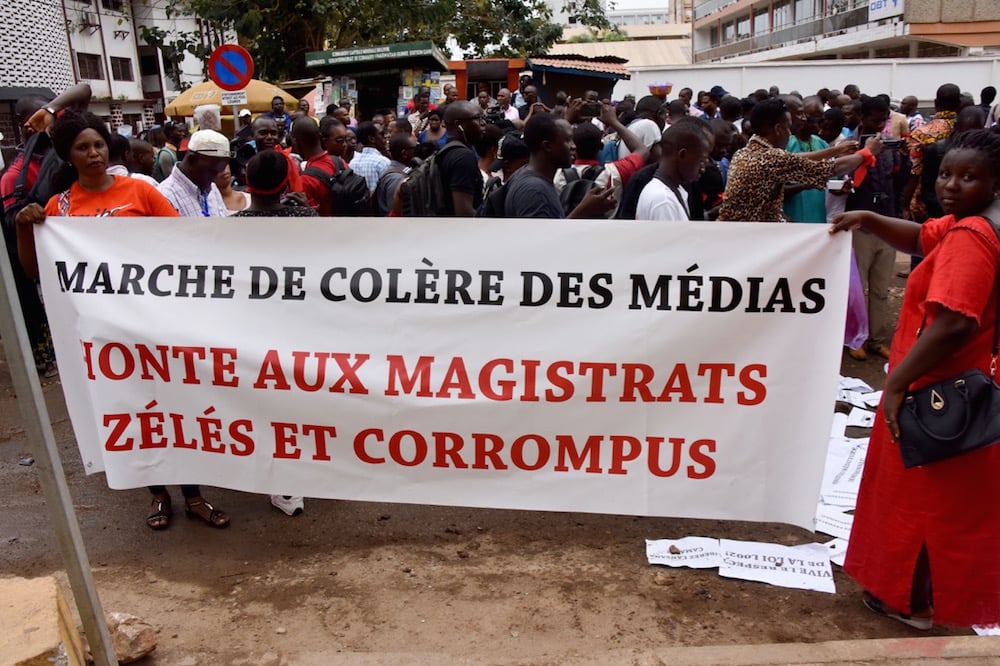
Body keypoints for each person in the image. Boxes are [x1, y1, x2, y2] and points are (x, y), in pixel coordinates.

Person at [13, 111, 230, 531]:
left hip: (156, 325)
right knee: (134, 413)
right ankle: (158, 495)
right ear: (68, 155)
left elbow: (182, 247)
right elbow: (36, 270)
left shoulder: (140, 192)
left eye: (97, 145)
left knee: (176, 409)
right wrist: (26, 230)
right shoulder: (59, 207)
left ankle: (195, 495)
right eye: (82, 147)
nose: (93, 153)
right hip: (105, 335)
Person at [830, 128, 1000, 630]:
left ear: (994, 182)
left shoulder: (974, 237)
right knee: (949, 501)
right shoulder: (974, 223)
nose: (951, 185)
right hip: (961, 383)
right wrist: (868, 219)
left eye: (968, 177)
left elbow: (953, 321)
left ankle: (912, 601)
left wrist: (900, 381)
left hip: (938, 389)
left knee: (922, 502)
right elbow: (924, 235)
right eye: (946, 173)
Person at [718, 97, 880, 222]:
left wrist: (835, 150)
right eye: (788, 127)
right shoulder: (771, 158)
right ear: (778, 129)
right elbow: (832, 168)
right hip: (751, 238)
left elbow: (792, 159)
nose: (790, 132)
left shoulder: (746, 153)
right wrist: (867, 152)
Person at [501, 113, 615, 219]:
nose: (574, 146)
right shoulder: (534, 191)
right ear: (547, 146)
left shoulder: (528, 177)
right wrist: (583, 211)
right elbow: (541, 239)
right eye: (568, 140)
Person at [636, 121, 711, 221]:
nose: (703, 168)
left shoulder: (673, 190)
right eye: (701, 160)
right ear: (682, 155)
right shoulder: (663, 201)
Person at [157, 129, 230, 217]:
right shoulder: (165, 197)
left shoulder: (211, 188)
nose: (216, 176)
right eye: (212, 170)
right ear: (192, 160)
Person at [234, 150, 317, 220]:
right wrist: (308, 210)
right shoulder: (303, 216)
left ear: (247, 181)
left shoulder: (232, 223)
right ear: (285, 187)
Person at [374, 132, 416, 216]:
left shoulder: (400, 171)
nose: (418, 150)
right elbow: (395, 212)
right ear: (405, 153)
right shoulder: (396, 178)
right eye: (415, 148)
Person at [349, 121, 390, 192]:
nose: (386, 137)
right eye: (382, 134)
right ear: (372, 139)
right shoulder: (382, 162)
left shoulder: (352, 162)